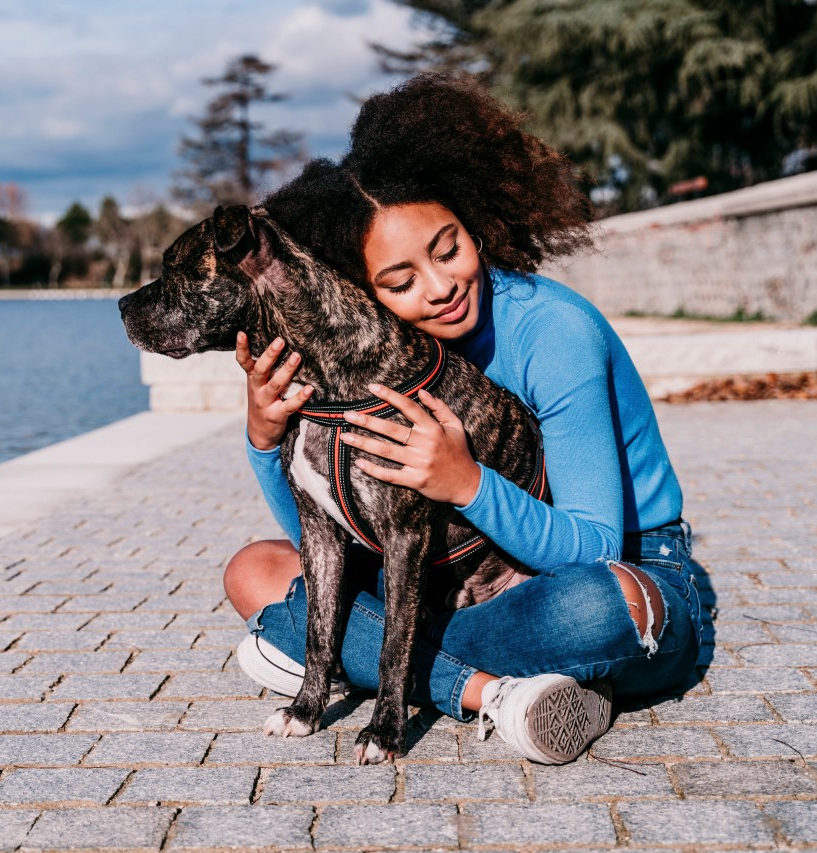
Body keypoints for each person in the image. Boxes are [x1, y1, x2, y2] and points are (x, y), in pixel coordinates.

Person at [224, 74, 703, 764]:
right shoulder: (378, 362)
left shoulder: (553, 332)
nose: (441, 285)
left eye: (448, 248)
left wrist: (466, 482)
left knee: (599, 610)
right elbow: (323, 537)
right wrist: (266, 441)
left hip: (619, 564)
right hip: (451, 577)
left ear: (473, 222)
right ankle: (495, 691)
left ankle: (340, 655)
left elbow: (598, 546)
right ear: (362, 293)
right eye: (400, 281)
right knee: (254, 569)